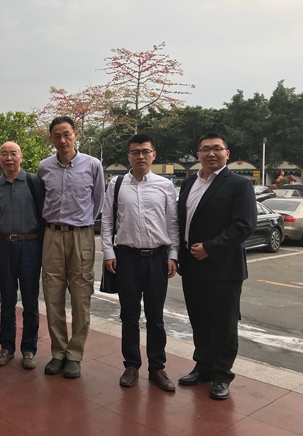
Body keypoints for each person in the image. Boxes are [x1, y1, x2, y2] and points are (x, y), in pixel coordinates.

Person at [177, 132, 257, 400]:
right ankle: (203, 367)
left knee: (224, 324)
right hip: (192, 266)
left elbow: (244, 225)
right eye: (205, 149)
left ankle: (222, 375)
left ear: (227, 154)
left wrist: (210, 248)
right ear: (197, 154)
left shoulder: (239, 184)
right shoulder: (189, 183)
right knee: (199, 320)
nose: (211, 153)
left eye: (217, 148)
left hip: (223, 268)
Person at [101, 134, 179, 391]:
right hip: (127, 258)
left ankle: (157, 367)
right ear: (129, 156)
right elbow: (107, 220)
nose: (141, 156)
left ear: (154, 155)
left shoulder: (165, 185)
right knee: (129, 315)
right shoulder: (117, 184)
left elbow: (172, 223)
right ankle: (131, 365)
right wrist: (109, 253)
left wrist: (173, 255)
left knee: (155, 317)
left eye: (146, 151)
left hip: (157, 258)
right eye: (135, 152)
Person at [38, 116, 105, 379]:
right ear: (51, 139)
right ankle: (58, 352)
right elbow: (42, 200)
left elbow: (98, 200)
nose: (62, 140)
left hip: (81, 236)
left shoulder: (93, 165)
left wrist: (82, 222)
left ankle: (75, 354)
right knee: (52, 295)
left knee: (81, 295)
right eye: (57, 136)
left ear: (75, 134)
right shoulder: (44, 167)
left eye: (67, 134)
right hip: (52, 236)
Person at [0, 142, 45, 370]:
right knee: (7, 301)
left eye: (13, 154)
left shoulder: (34, 182)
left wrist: (42, 248)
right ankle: (7, 347)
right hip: (4, 246)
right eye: (4, 154)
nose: (9, 158)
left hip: (30, 246)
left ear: (21, 157)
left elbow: (44, 216)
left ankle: (29, 349)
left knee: (30, 301)